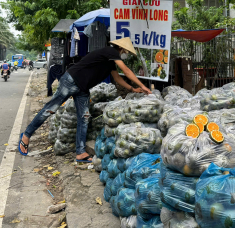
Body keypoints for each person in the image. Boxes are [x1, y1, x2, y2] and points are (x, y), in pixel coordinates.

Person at [18, 37, 152, 161]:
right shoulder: (110, 51)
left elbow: (117, 78)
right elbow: (127, 71)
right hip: (70, 81)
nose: (126, 55)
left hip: (82, 88)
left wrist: (132, 89)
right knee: (50, 109)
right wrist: (142, 86)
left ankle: (80, 152)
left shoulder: (110, 62)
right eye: (126, 52)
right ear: (121, 49)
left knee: (84, 117)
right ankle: (26, 135)